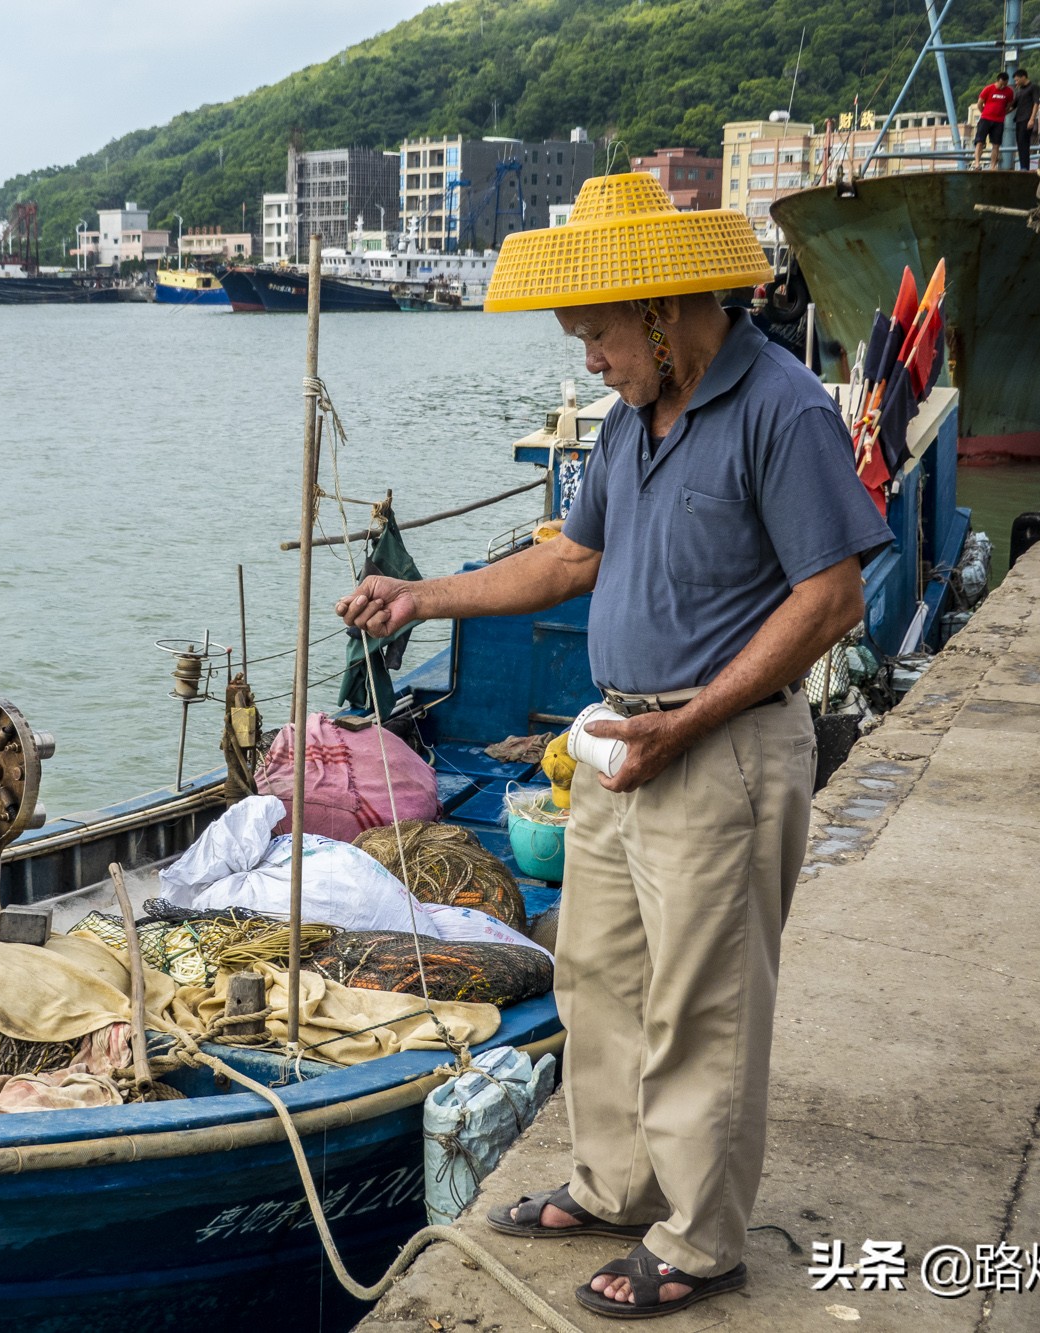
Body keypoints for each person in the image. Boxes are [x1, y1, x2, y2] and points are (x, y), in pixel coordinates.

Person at [338, 174, 892, 1320]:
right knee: (594, 974)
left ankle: (698, 1240)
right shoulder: (633, 416)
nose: (585, 356)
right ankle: (613, 1183)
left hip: (719, 747)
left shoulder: (777, 409)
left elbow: (828, 598)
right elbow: (568, 560)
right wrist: (419, 596)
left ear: (656, 310)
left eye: (592, 332)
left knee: (703, 1001)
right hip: (613, 743)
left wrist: (683, 723)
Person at [971, 71, 1016, 168]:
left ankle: (992, 166)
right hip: (986, 118)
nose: (1003, 86)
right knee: (980, 141)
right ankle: (977, 163)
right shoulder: (988, 89)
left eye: (1005, 84)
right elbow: (980, 103)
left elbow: (1009, 105)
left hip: (999, 121)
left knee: (996, 144)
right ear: (998, 81)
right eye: (1001, 84)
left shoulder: (1009, 92)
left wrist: (1003, 113)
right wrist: (984, 112)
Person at [1011, 68, 1040, 167]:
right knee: (1020, 144)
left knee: (1024, 143)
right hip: (1019, 119)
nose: (1016, 82)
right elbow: (1013, 106)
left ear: (1023, 77)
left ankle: (1025, 167)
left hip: (1027, 118)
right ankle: (1022, 166)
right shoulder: (1019, 91)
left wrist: (1032, 118)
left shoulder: (1033, 87)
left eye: (1017, 80)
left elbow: (1036, 103)